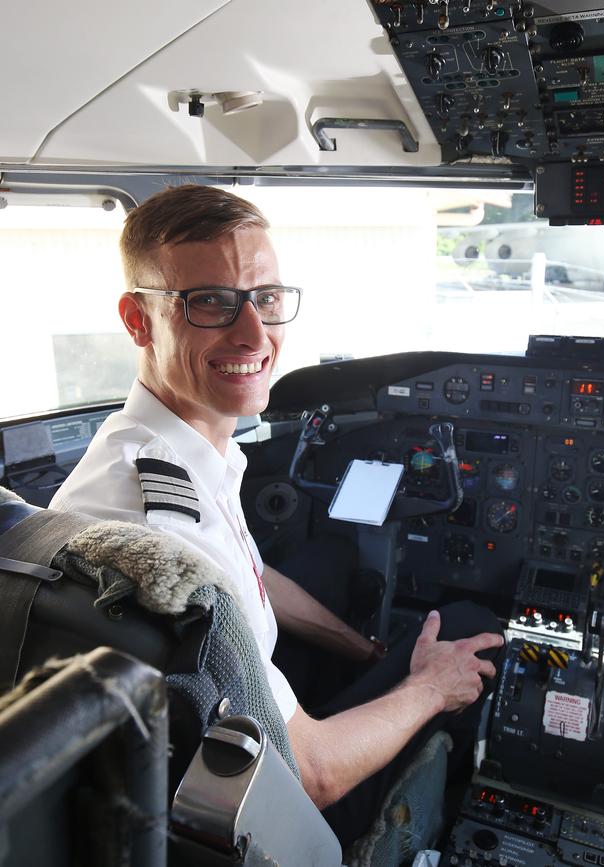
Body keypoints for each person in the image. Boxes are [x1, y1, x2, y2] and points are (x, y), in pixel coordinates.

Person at [51, 184, 503, 846]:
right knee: (470, 626)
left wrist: (366, 650)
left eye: (265, 299)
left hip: (190, 743)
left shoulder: (158, 446)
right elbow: (311, 772)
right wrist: (432, 686)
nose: (255, 335)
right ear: (138, 320)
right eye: (210, 302)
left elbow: (248, 575)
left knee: (331, 564)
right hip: (259, 811)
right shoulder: (165, 520)